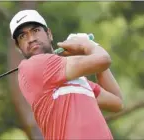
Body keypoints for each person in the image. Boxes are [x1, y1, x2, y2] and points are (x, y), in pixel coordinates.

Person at [9, 9, 123, 140]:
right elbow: (103, 60)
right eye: (22, 36)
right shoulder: (33, 66)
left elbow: (117, 102)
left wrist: (88, 52)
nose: (31, 39)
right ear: (18, 47)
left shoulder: (77, 80)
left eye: (35, 30)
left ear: (49, 34)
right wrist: (88, 45)